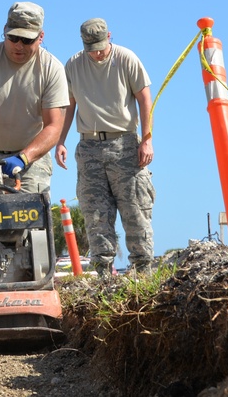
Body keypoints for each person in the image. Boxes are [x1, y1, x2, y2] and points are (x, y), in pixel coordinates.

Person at [54, 18, 155, 274]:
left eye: (100, 46)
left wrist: (147, 139)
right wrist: (61, 141)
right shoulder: (74, 64)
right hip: (89, 147)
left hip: (125, 144)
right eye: (91, 48)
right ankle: (103, 277)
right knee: (95, 214)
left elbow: (145, 99)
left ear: (109, 36)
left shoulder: (126, 58)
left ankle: (143, 272)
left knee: (135, 210)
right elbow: (69, 104)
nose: (97, 53)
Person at [0, 1, 68, 195]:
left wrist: (23, 158)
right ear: (5, 30)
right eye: (13, 37)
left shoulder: (52, 69)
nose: (18, 45)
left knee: (30, 218)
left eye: (26, 40)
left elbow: (54, 127)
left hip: (31, 157)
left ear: (40, 37)